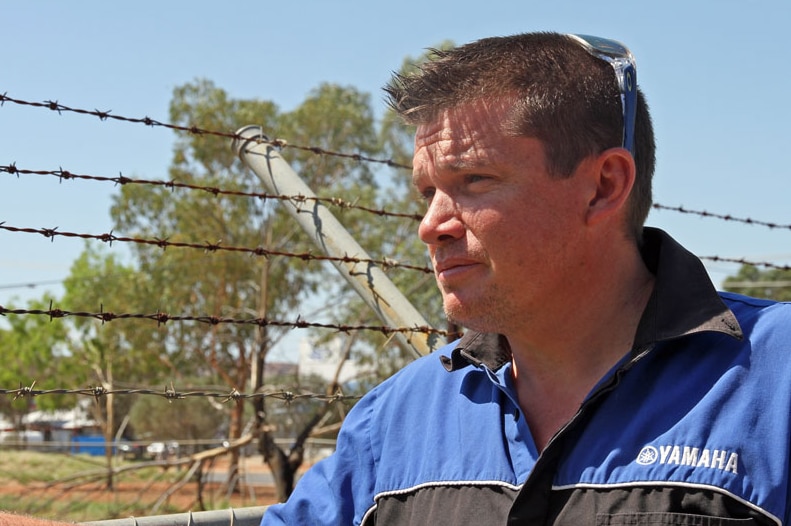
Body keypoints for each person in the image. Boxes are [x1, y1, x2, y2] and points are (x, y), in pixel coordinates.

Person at [261, 31, 791, 525]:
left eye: (474, 180)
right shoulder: (394, 420)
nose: (430, 226)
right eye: (428, 193)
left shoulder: (775, 381)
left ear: (604, 186)